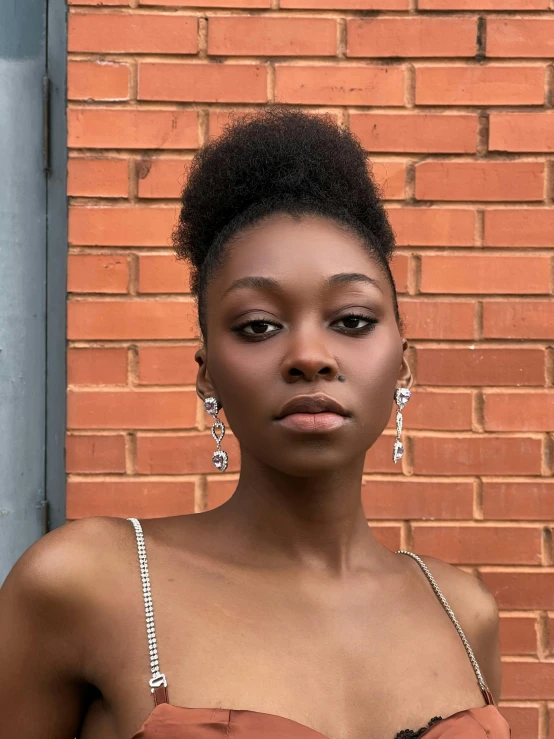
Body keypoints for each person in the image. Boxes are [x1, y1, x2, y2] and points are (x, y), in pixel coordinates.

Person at [0, 109, 510, 739]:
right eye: (258, 326)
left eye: (351, 320)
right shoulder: (89, 581)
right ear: (207, 372)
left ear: (404, 365)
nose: (309, 356)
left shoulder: (463, 609)